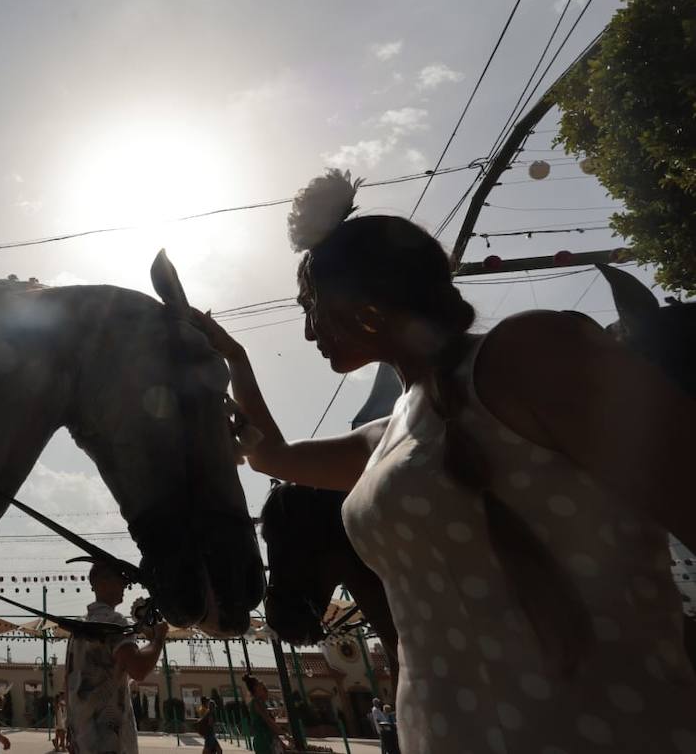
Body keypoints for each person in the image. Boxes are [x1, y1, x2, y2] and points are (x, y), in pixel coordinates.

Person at [191, 169, 696, 753]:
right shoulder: (387, 437)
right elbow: (271, 455)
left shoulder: (528, 355)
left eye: (313, 308)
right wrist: (234, 356)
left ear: (364, 303)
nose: (308, 334)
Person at [64, 559, 169, 754]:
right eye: (120, 579)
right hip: (109, 741)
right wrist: (159, 638)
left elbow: (70, 683)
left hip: (83, 739)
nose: (124, 585)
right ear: (101, 583)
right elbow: (138, 669)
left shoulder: (78, 629)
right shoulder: (113, 622)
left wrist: (70, 729)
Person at [241, 676, 285, 754]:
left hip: (265, 739)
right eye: (258, 684)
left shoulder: (259, 703)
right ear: (255, 688)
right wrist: (285, 735)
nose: (261, 684)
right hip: (264, 740)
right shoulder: (257, 703)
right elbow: (268, 721)